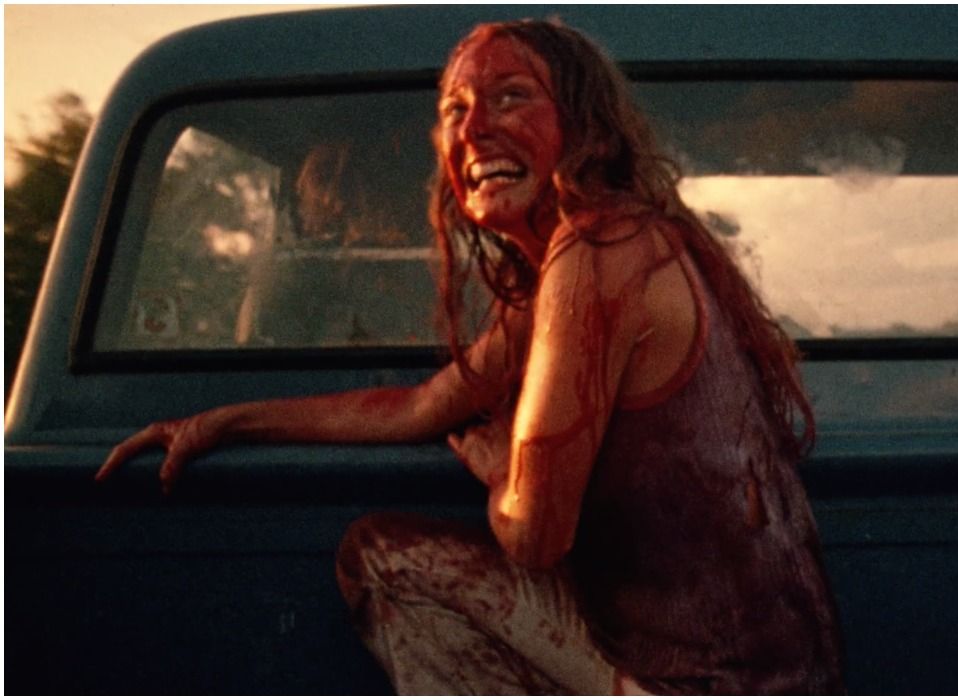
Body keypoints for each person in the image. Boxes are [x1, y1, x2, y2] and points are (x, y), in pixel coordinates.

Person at [97, 19, 845, 695]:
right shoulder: (588, 258)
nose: (475, 129)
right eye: (455, 110)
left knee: (379, 558)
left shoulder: (598, 252)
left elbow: (536, 535)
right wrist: (224, 422)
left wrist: (500, 471)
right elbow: (422, 406)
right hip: (781, 674)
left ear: (584, 124)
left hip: (706, 687)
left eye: (512, 96)